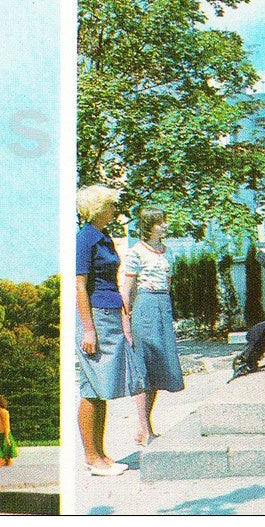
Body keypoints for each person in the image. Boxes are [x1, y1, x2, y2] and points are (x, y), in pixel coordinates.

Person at [76, 184, 143, 477]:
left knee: (97, 388)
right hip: (96, 316)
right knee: (93, 388)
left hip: (109, 313)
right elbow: (79, 286)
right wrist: (88, 330)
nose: (115, 209)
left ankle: (100, 454)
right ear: (98, 208)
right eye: (111, 205)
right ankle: (92, 457)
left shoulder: (102, 237)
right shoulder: (84, 239)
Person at [123, 206, 186, 446]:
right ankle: (143, 428)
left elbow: (168, 284)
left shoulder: (167, 252)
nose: (165, 225)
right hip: (145, 307)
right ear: (149, 226)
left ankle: (146, 425)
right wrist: (127, 322)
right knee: (144, 368)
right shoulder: (136, 252)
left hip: (163, 305)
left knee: (158, 367)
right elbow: (127, 291)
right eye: (160, 222)